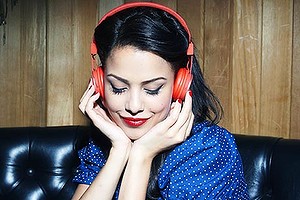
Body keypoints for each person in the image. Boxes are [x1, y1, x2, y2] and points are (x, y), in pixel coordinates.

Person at [72, 2, 249, 200]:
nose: (133, 106)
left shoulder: (209, 149)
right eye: (118, 88)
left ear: (180, 85)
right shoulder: (107, 138)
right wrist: (119, 151)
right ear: (99, 83)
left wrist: (141, 155)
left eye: (152, 89)